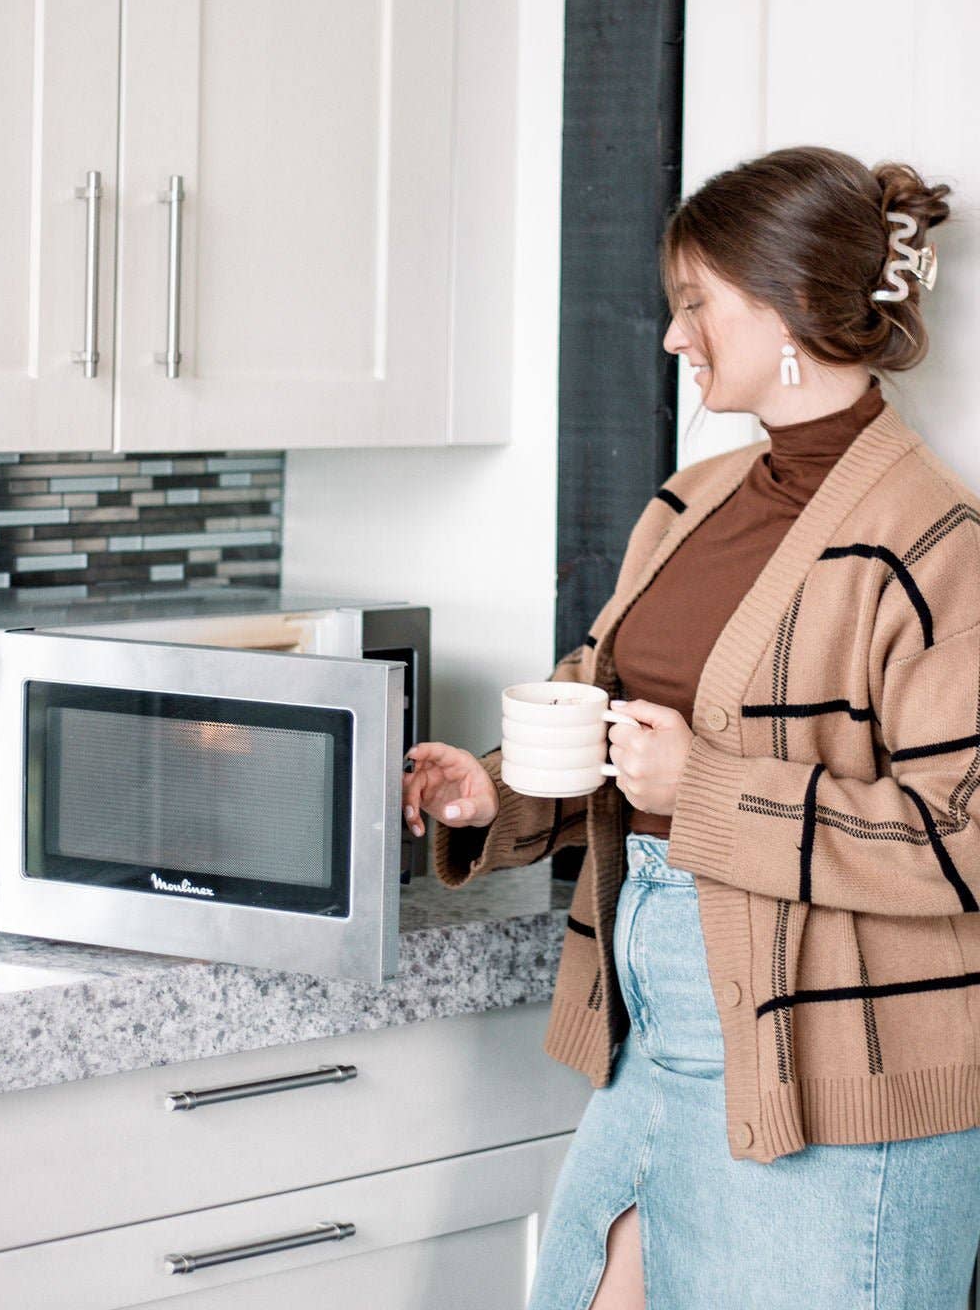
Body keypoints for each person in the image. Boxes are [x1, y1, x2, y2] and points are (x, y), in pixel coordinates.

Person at [401, 145, 980, 1309]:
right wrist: (497, 791)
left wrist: (704, 784)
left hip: (837, 1074)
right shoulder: (691, 503)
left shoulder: (935, 545)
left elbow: (957, 843)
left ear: (783, 313)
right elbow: (606, 715)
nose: (674, 339)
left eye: (692, 306)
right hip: (660, 1036)